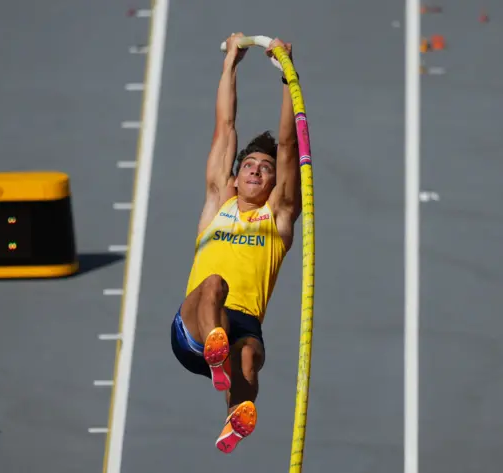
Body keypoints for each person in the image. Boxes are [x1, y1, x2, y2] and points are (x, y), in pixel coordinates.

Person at [169, 33, 302, 454]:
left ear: (273, 183)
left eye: (265, 170)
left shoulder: (277, 219)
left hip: (244, 325)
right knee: (214, 285)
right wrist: (231, 63)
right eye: (248, 165)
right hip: (194, 326)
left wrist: (288, 78)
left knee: (249, 358)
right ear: (235, 174)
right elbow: (224, 126)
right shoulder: (217, 204)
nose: (256, 172)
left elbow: (289, 147)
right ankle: (214, 349)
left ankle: (236, 415)